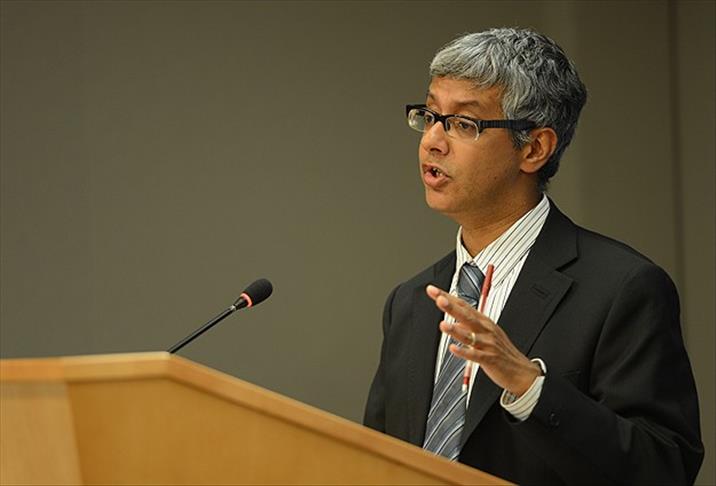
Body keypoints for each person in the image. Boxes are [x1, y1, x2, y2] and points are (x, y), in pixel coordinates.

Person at [363, 28, 703, 485]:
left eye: (463, 123)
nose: (432, 141)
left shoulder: (623, 288)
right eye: (430, 115)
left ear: (534, 148)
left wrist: (530, 387)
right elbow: (374, 461)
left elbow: (664, 467)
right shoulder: (409, 303)